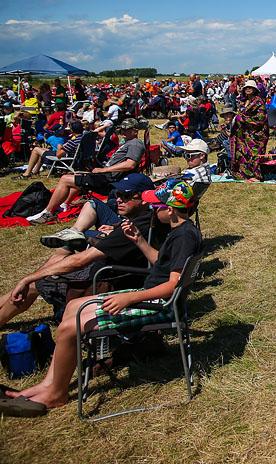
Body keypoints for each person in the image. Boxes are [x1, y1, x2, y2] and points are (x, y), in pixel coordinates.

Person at [1, 182, 201, 416]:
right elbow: (163, 265)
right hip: (153, 298)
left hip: (159, 306)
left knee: (70, 326)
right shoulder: (181, 231)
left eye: (155, 206)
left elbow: (172, 285)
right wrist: (139, 241)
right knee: (74, 306)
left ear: (170, 210)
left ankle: (56, 393)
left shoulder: (183, 237)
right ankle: (50, 383)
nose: (151, 209)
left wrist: (129, 298)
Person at [0, 174, 157, 328]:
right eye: (117, 194)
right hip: (112, 270)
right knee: (59, 258)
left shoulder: (131, 231)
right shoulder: (150, 219)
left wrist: (27, 279)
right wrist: (114, 228)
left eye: (126, 195)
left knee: (36, 283)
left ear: (144, 198)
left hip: (106, 280)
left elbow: (80, 261)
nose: (118, 199)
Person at [27, 118, 145, 225]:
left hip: (108, 180)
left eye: (127, 130)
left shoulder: (135, 143)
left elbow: (130, 164)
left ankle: (48, 213)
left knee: (65, 179)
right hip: (106, 176)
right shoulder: (129, 143)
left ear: (135, 131)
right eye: (122, 130)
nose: (123, 132)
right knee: (77, 175)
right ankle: (62, 205)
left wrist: (103, 169)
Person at [16, 120, 85, 179]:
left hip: (66, 160)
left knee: (36, 149)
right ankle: (35, 171)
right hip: (77, 160)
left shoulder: (73, 142)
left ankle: (26, 174)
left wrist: (59, 147)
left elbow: (58, 155)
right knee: (42, 150)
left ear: (72, 131)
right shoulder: (84, 139)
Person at [230, 80, 269, 182]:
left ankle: (256, 176)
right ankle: (244, 174)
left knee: (254, 155)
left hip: (257, 134)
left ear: (255, 90)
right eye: (246, 88)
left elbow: (261, 118)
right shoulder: (243, 101)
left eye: (250, 88)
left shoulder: (258, 102)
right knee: (241, 153)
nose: (247, 89)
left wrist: (243, 119)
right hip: (244, 133)